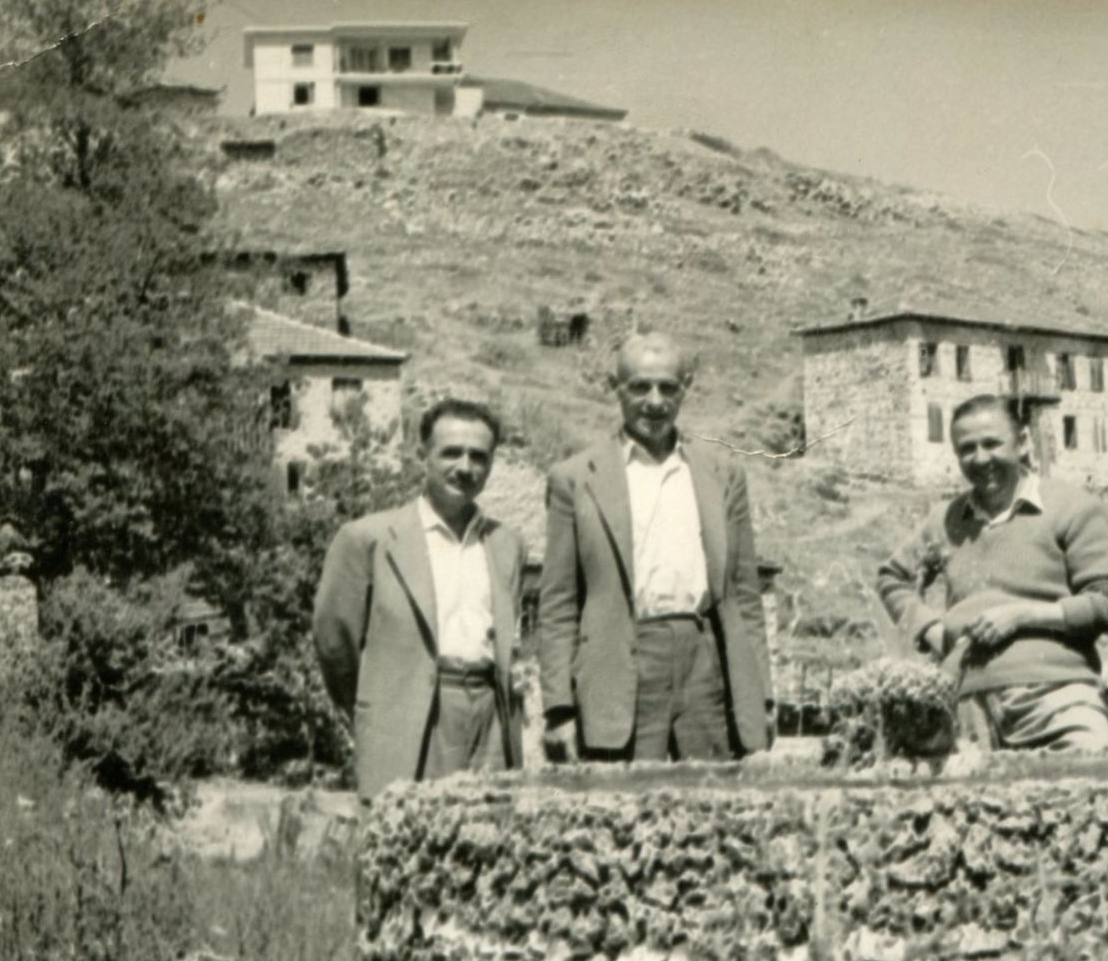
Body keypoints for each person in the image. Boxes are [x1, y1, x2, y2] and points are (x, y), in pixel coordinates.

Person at [538, 332, 772, 761]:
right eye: (640, 387)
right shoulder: (575, 478)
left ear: (685, 389)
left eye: (668, 388)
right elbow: (558, 604)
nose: (655, 401)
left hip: (705, 665)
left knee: (712, 793)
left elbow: (745, 596)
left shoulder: (722, 473)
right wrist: (558, 707)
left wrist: (763, 696)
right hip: (620, 667)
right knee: (622, 796)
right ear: (615, 388)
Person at [877, 395, 1108, 752]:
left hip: (1056, 697)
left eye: (992, 444)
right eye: (967, 449)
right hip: (963, 705)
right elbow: (892, 577)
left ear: (1022, 442)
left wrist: (1023, 616)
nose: (980, 459)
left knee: (1091, 771)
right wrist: (931, 630)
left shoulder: (1072, 507)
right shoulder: (946, 519)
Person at [312, 399, 526, 800]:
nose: (465, 467)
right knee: (408, 832)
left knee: (492, 831)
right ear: (420, 456)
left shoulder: (507, 544)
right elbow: (334, 642)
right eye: (451, 453)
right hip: (412, 720)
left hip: (491, 723)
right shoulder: (369, 539)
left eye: (479, 456)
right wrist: (381, 707)